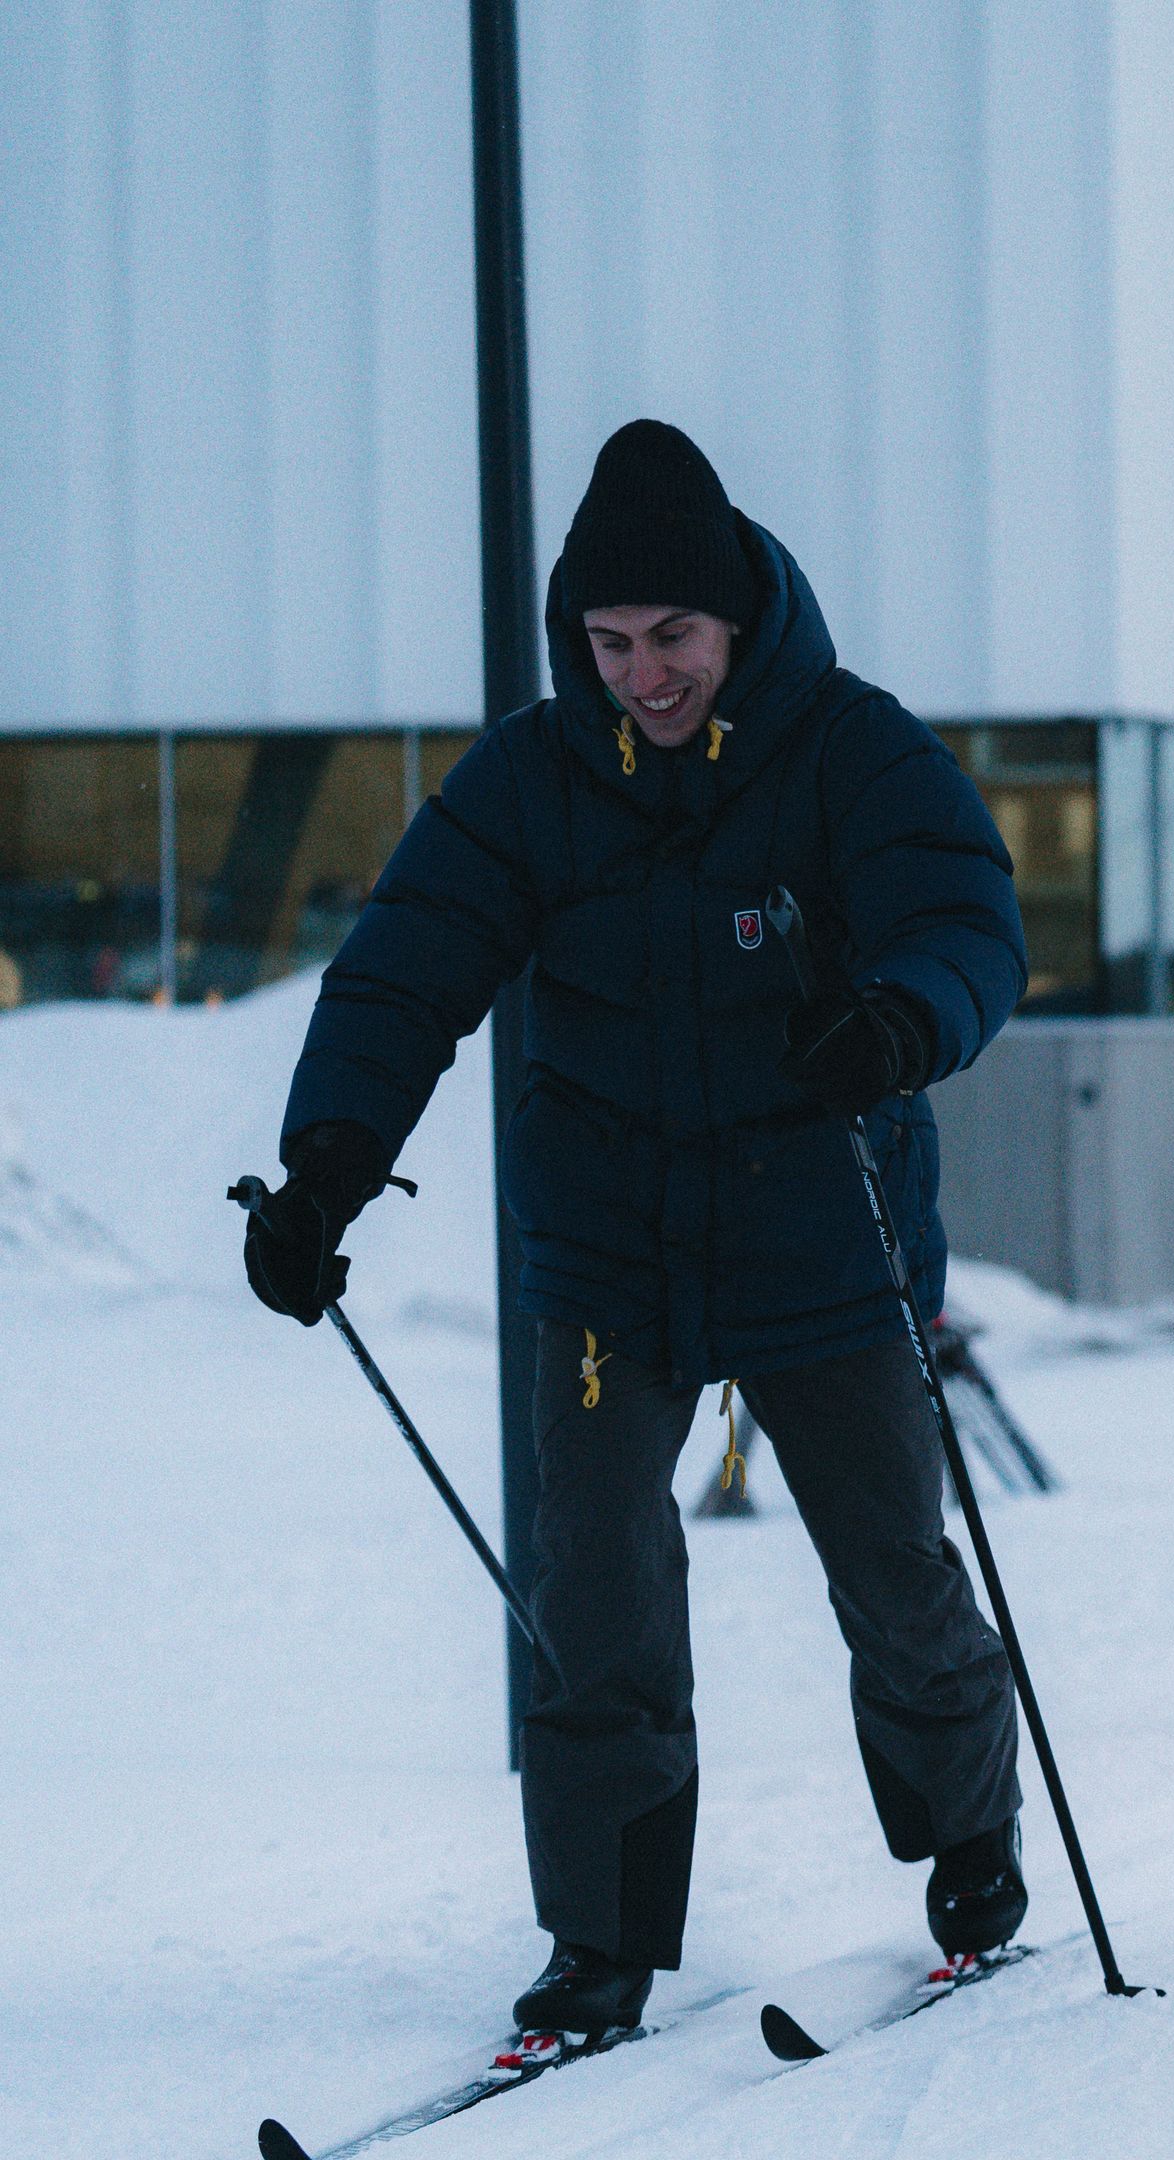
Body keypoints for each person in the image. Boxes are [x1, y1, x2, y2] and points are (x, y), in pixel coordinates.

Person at [240, 420, 1030, 2042]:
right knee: (594, 1581)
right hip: (608, 1247)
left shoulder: (850, 749)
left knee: (893, 1568)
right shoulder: (534, 778)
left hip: (827, 1226)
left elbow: (967, 917)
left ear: (735, 618)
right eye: (610, 642)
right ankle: (601, 1936)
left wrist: (900, 1021)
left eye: (671, 638)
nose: (644, 675)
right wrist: (326, 1167)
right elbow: (408, 967)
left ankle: (971, 1841)